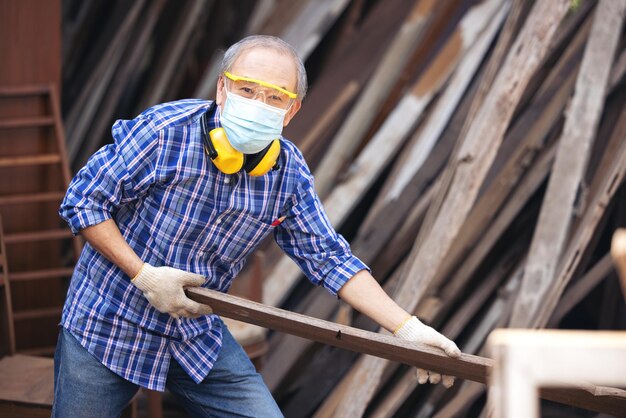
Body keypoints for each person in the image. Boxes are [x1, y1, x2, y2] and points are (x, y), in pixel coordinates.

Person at [53, 35, 460, 418]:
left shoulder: (288, 174)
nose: (258, 103)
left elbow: (329, 258)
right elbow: (84, 200)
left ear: (292, 110)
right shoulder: (164, 132)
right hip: (106, 323)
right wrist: (143, 275)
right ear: (222, 89)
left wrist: (407, 328)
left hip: (194, 334)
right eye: (247, 89)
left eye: (274, 97)